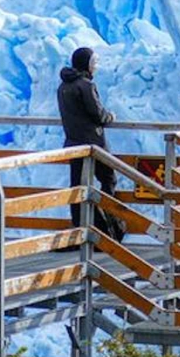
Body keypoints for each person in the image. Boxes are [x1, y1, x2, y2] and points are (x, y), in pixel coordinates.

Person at [57, 46, 116, 228]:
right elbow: (97, 114)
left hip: (73, 144)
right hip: (93, 145)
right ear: (87, 65)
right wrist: (111, 116)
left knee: (79, 186)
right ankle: (106, 227)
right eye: (94, 63)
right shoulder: (86, 85)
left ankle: (81, 226)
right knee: (108, 179)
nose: (96, 67)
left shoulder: (63, 86)